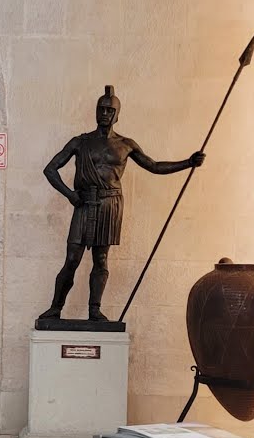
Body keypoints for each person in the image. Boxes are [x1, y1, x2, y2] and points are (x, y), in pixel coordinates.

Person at [39, 86, 205, 321]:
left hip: (110, 205)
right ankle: (56, 308)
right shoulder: (80, 142)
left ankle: (94, 310)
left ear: (117, 114)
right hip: (84, 203)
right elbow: (50, 169)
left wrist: (188, 162)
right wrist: (69, 194)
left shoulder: (126, 144)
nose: (104, 113)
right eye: (101, 109)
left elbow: (154, 166)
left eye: (110, 110)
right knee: (72, 259)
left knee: (101, 259)